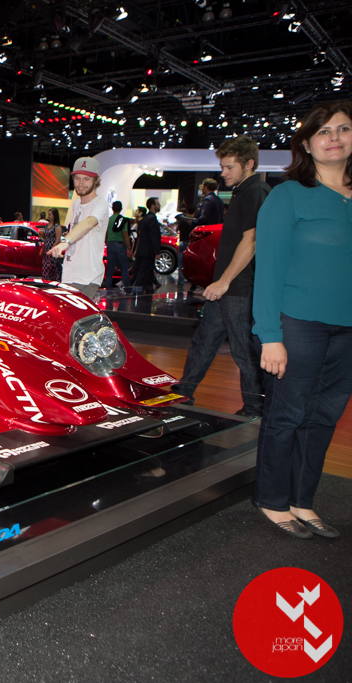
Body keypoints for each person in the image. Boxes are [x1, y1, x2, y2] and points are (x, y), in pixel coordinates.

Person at [251, 101, 352, 539]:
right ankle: (272, 500)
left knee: (324, 417)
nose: (335, 138)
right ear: (307, 145)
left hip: (348, 330)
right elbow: (269, 269)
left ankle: (302, 500)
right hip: (297, 324)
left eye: (343, 129)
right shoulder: (288, 195)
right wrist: (269, 335)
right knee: (287, 415)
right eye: (323, 131)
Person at [172, 135, 270, 417]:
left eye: (229, 167)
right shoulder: (242, 191)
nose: (223, 173)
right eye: (222, 167)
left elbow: (252, 240)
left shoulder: (256, 191)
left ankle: (255, 409)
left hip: (238, 288)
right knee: (204, 342)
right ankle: (183, 394)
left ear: (248, 164)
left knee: (243, 351)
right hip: (226, 288)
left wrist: (225, 281)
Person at [46, 157, 110, 299]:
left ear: (97, 180)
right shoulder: (76, 204)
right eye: (77, 178)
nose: (81, 184)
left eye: (87, 179)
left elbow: (88, 223)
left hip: (86, 277)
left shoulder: (100, 204)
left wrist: (65, 242)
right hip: (70, 274)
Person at [131, 198, 162, 294]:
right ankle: (136, 291)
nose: (159, 205)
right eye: (157, 204)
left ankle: (149, 289)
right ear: (153, 205)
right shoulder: (152, 219)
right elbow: (154, 236)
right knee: (144, 272)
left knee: (146, 271)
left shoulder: (145, 219)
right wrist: (157, 251)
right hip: (148, 251)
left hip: (142, 250)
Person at [102, 201, 132, 290]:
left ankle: (108, 287)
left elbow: (105, 233)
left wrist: (107, 242)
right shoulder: (122, 220)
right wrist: (129, 248)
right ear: (121, 209)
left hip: (110, 245)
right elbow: (125, 234)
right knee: (124, 268)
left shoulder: (108, 220)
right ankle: (127, 287)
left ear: (112, 208)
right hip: (120, 245)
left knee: (110, 268)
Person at [41, 208, 63, 281]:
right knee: (46, 267)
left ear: (54, 215)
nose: (48, 216)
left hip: (52, 249)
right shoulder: (47, 225)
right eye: (48, 214)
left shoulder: (57, 226)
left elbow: (58, 239)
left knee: (53, 268)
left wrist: (52, 249)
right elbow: (44, 237)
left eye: (50, 214)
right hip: (46, 248)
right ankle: (46, 281)